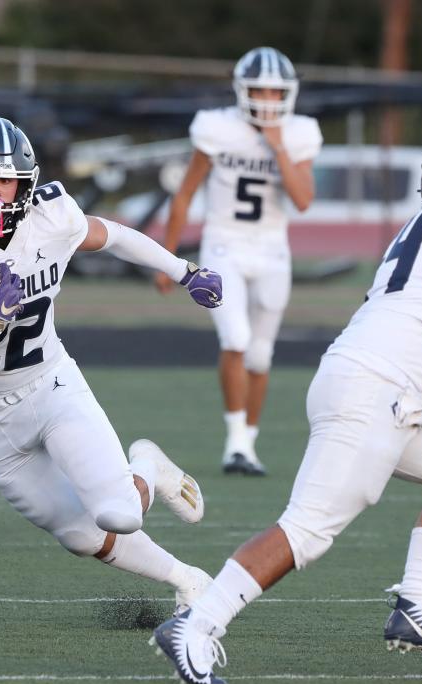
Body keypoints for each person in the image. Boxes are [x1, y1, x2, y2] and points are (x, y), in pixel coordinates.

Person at [150, 136, 422, 684]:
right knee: (307, 531)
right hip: (377, 392)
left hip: (372, 381)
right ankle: (198, 623)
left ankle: (419, 606)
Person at [0, 116, 224, 613]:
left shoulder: (51, 216)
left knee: (119, 515)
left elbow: (113, 235)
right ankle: (190, 580)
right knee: (78, 535)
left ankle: (145, 465)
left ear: (23, 183)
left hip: (51, 385)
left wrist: (184, 270)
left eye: (3, 180)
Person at [155, 47, 323, 476]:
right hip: (224, 244)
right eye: (259, 90)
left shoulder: (300, 133)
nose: (266, 99)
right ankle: (234, 443)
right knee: (236, 338)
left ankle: (248, 443)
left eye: (274, 91)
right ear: (242, 89)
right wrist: (166, 257)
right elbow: (187, 192)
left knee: (261, 356)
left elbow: (303, 200)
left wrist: (278, 146)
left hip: (272, 249)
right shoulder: (216, 127)